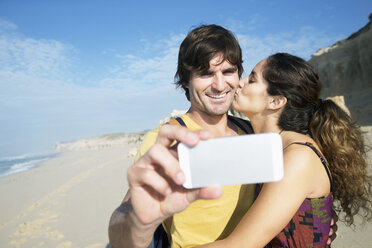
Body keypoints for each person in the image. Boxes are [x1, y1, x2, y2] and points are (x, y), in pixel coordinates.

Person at [108, 25, 337, 248]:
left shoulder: (254, 134)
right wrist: (139, 222)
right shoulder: (167, 141)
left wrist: (316, 226)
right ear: (186, 80)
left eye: (228, 72)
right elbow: (121, 239)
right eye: (206, 73)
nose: (219, 85)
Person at [197, 53, 372, 247]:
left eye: (252, 79)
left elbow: (240, 245)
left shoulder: (298, 157)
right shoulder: (269, 149)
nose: (240, 82)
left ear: (276, 102)